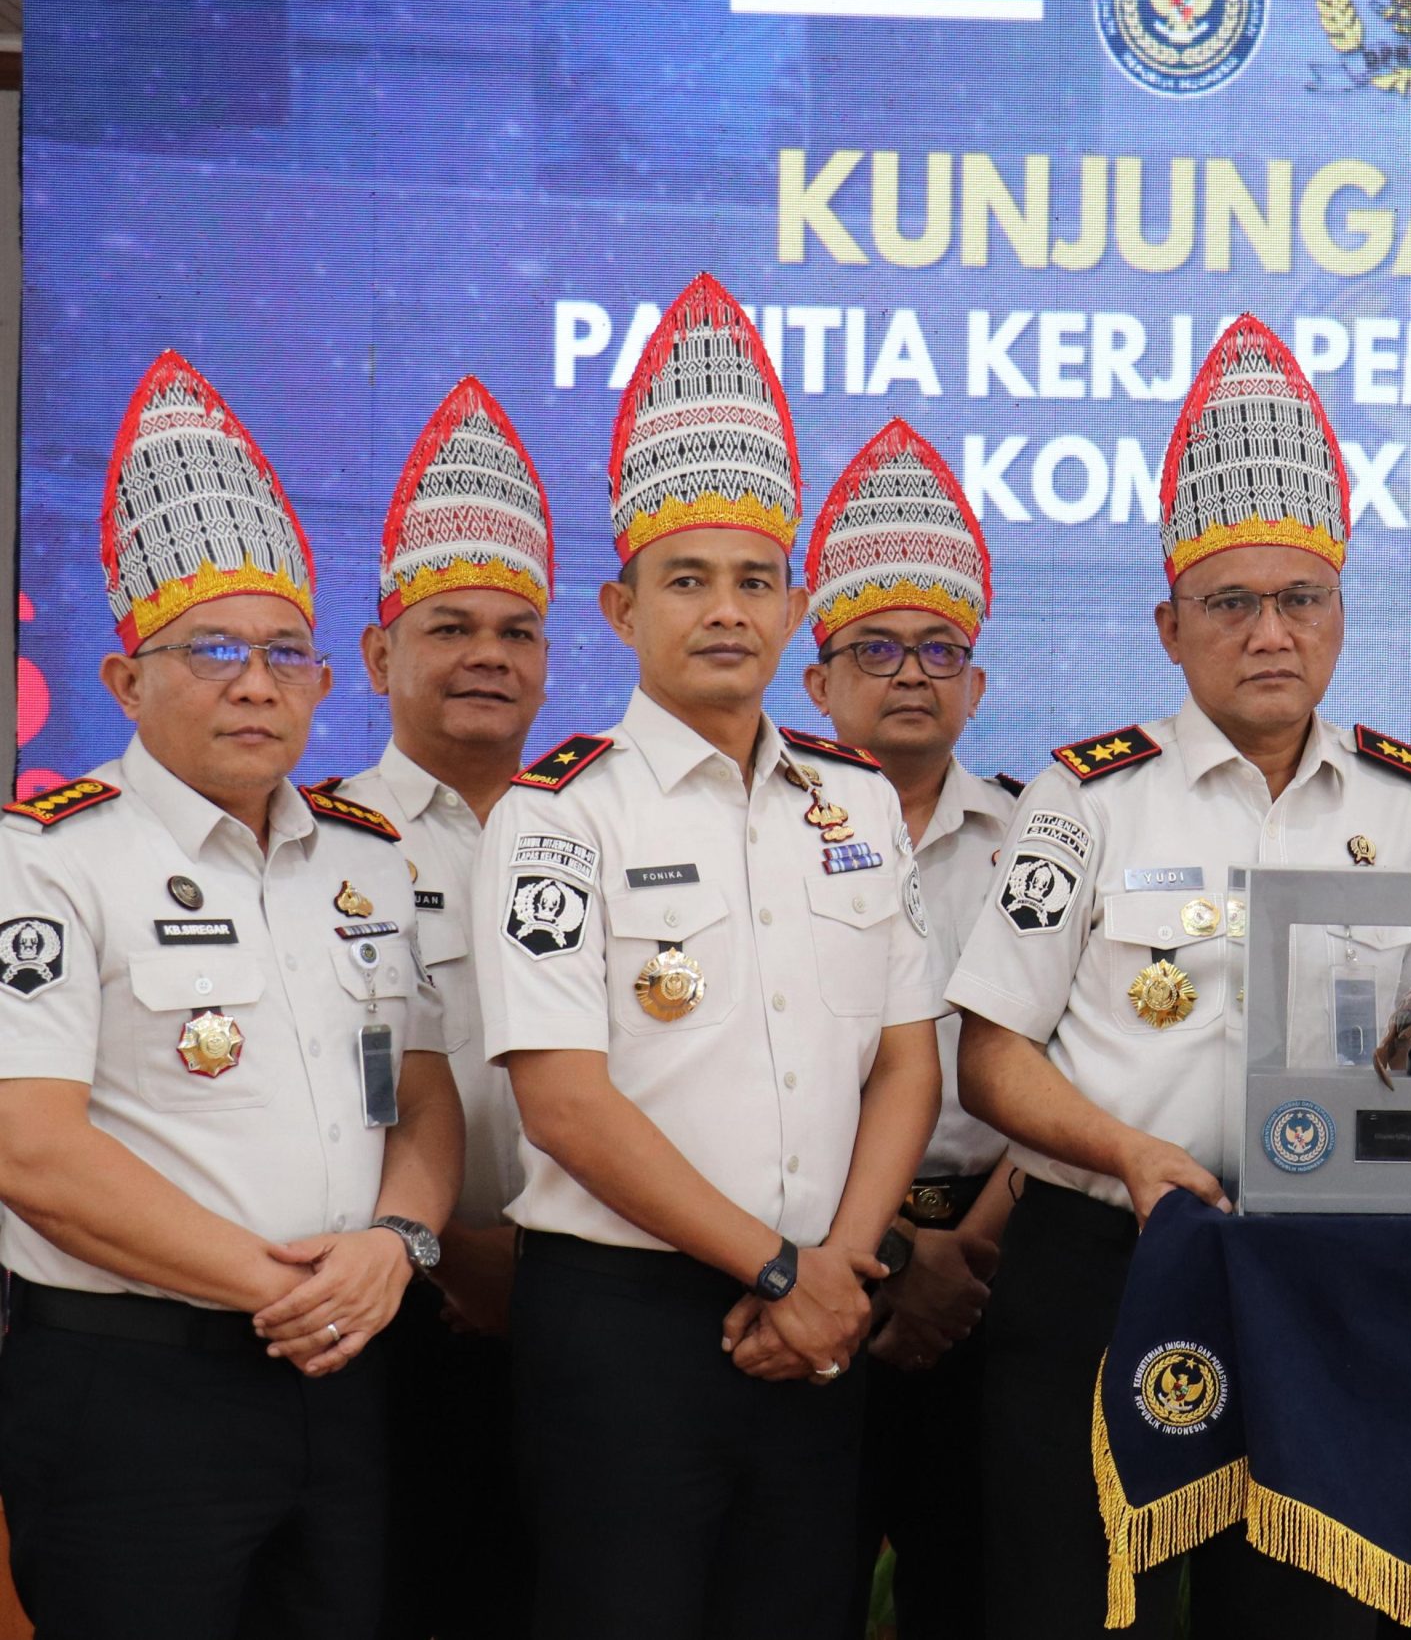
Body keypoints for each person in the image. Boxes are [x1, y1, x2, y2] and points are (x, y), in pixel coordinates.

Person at [945, 314, 1411, 1640]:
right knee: (1070, 1605)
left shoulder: (1410, 810)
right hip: (1101, 1261)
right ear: (1170, 626)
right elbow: (989, 1056)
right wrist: (1130, 1153)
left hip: (1317, 1278)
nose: (1270, 632)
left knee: (1301, 1616)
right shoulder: (1085, 796)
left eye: (1300, 599)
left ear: (1342, 616)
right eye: (1231, 604)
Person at [473, 274, 943, 1639]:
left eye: (753, 581)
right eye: (687, 580)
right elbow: (564, 1103)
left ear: (795, 610)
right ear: (621, 610)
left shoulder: (855, 802)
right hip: (624, 1324)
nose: (724, 610)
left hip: (824, 1308)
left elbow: (906, 1063)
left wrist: (836, 1271)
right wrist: (783, 1275)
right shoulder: (558, 814)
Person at [0, 351, 462, 1637]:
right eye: (211, 650)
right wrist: (289, 1287)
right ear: (124, 681)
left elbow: (422, 1100)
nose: (255, 683)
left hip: (345, 1379)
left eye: (284, 653)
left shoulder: (370, 862)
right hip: (133, 1391)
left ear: (323, 680)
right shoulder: (46, 860)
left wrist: (398, 1243)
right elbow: (30, 1150)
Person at [338, 375, 553, 1639]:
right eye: (451, 627)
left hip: (589, 1306)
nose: (488, 654)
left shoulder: (598, 830)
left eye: (517, 631)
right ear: (379, 657)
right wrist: (445, 1251)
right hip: (383, 1308)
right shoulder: (315, 842)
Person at [800, 417, 1017, 1639]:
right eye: (875, 649)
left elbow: (1082, 1060)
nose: (912, 674)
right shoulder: (758, 836)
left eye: (941, 650)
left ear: (976, 686)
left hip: (1000, 1267)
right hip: (808, 1264)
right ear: (818, 682)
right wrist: (875, 1249)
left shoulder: (1046, 833)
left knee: (981, 1591)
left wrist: (966, 1257)